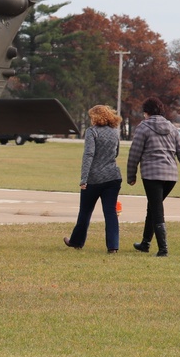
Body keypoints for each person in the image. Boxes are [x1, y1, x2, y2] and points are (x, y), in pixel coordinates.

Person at [126, 97, 180, 257]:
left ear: (147, 112)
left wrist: (131, 175)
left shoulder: (143, 127)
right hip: (171, 176)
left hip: (152, 175)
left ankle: (163, 249)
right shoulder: (172, 128)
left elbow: (134, 153)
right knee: (152, 207)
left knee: (156, 210)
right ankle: (145, 243)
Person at [63, 105, 123, 252]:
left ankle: (76, 241)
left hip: (94, 178)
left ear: (96, 117)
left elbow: (88, 155)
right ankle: (113, 246)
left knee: (85, 211)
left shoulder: (92, 132)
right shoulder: (115, 132)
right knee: (110, 212)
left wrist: (84, 179)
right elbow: (116, 153)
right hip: (113, 177)